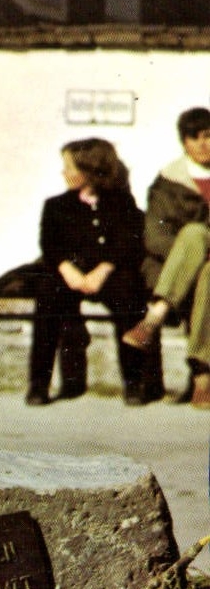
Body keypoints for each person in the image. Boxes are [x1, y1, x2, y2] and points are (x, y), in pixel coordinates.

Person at [25, 137, 160, 408]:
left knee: (129, 297)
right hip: (70, 274)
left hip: (108, 274)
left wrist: (104, 269)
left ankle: (134, 382)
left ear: (90, 171)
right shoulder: (57, 206)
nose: (64, 173)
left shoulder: (121, 203)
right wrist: (68, 270)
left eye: (70, 167)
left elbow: (129, 241)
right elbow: (50, 245)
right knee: (48, 296)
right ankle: (39, 384)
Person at [121, 106, 210, 406]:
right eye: (194, 138)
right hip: (173, 267)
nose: (202, 144)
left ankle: (153, 318)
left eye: (209, 136)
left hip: (194, 270)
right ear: (184, 142)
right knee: (194, 236)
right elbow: (155, 237)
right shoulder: (168, 182)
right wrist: (192, 262)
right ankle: (203, 380)